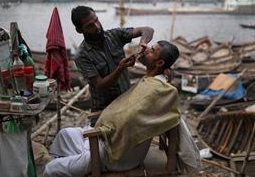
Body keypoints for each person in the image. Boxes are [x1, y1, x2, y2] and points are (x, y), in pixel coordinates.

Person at [44, 40, 200, 177]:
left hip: (118, 156)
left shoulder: (160, 90)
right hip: (106, 140)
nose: (146, 49)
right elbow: (125, 115)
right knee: (64, 134)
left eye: (151, 51)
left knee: (51, 169)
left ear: (159, 63)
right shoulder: (149, 81)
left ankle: (79, 163)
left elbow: (129, 119)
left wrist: (102, 131)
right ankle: (78, 163)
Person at [71, 5, 154, 126]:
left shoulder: (114, 35)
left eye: (96, 20)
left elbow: (147, 30)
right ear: (79, 30)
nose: (97, 27)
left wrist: (142, 43)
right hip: (103, 111)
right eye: (90, 26)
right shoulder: (82, 55)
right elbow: (100, 85)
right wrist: (120, 68)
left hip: (127, 103)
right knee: (104, 142)